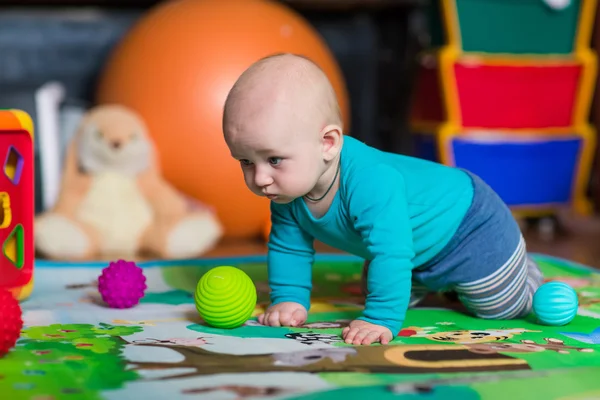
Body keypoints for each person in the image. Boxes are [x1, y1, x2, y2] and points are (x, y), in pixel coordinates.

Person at [221, 53, 544, 346]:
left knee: (499, 309)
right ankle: (441, 285)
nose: (260, 178)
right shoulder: (287, 189)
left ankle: (526, 275)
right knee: (382, 283)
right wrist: (289, 299)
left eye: (274, 159)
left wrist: (380, 318)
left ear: (328, 144)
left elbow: (391, 252)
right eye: (246, 161)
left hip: (469, 228)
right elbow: (288, 246)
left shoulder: (369, 179)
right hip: (415, 250)